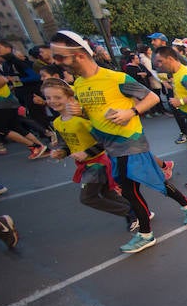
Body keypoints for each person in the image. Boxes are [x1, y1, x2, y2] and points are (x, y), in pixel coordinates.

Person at [50, 30, 187, 253]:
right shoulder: (79, 85)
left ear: (80, 54)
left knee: (130, 190)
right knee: (152, 181)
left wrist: (130, 112)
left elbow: (151, 97)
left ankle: (146, 234)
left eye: (60, 57)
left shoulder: (116, 78)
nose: (56, 62)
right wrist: (80, 113)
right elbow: (94, 116)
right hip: (109, 145)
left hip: (129, 141)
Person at [41, 78, 137, 231]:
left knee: (87, 198)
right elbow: (67, 144)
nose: (52, 101)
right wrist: (61, 152)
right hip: (85, 164)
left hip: (98, 162)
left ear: (70, 98)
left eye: (57, 97)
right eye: (48, 98)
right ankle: (138, 211)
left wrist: (86, 153)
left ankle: (131, 212)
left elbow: (104, 141)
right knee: (106, 192)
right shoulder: (58, 122)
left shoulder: (83, 120)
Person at [0, 44, 48, 158]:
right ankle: (42, 148)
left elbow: (1, 80)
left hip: (3, 100)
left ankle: (35, 147)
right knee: (16, 126)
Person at [152, 46, 187, 189]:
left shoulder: (184, 74)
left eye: (160, 61)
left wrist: (180, 102)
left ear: (170, 59)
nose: (158, 65)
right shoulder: (176, 74)